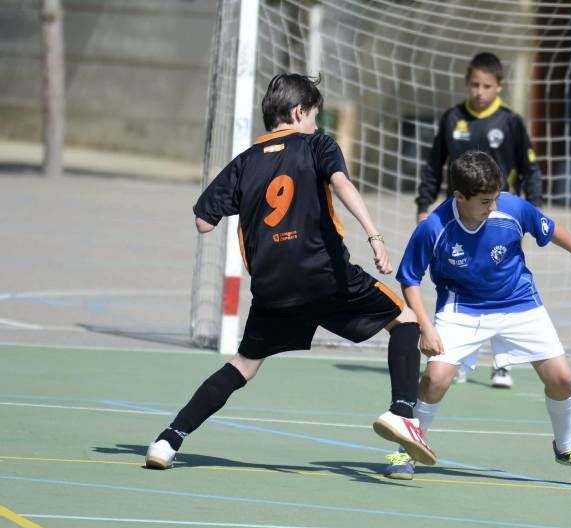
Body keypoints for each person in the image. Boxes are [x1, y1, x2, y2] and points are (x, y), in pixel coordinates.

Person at [145, 73, 435, 470]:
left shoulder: (245, 162)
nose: (316, 124)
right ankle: (403, 414)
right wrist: (375, 236)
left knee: (242, 367)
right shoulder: (317, 145)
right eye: (314, 116)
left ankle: (167, 440)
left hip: (273, 289)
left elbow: (203, 222)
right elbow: (343, 185)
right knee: (405, 320)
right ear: (299, 112)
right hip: (325, 276)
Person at [383, 150, 571, 480]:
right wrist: (425, 327)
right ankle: (408, 448)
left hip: (519, 302)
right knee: (436, 379)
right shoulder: (433, 228)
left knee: (562, 379)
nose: (493, 207)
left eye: (495, 198)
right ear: (460, 197)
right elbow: (409, 278)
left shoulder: (511, 208)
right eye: (485, 201)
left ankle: (566, 446)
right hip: (462, 309)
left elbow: (549, 228)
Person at [415, 51, 545, 388]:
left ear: (499, 86)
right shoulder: (452, 118)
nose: (479, 91)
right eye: (474, 84)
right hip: (457, 219)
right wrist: (423, 203)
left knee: (502, 283)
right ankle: (456, 356)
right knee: (459, 279)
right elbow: (433, 165)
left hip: (498, 219)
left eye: (486, 85)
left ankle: (503, 363)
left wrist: (535, 206)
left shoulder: (510, 122)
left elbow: (530, 168)